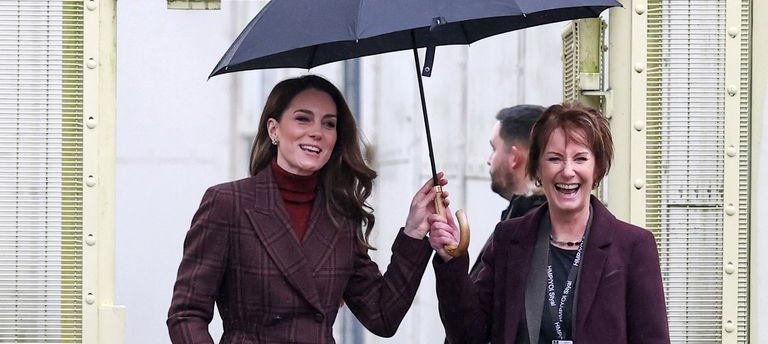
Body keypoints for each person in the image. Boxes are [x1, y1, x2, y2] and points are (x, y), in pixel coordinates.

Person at [167, 75, 443, 344]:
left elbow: (382, 315)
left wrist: (413, 233)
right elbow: (186, 314)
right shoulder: (228, 203)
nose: (317, 132)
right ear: (273, 129)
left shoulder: (341, 215)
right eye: (302, 118)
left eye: (329, 124)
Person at [429, 102, 670, 343]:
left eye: (580, 159)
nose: (567, 171)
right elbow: (469, 336)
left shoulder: (633, 246)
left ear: (597, 169)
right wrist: (452, 260)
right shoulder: (509, 239)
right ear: (537, 169)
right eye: (554, 159)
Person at [470, 104, 547, 280]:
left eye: (494, 149)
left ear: (515, 157)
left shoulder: (525, 230)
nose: (489, 160)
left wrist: (450, 261)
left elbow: (474, 304)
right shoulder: (524, 217)